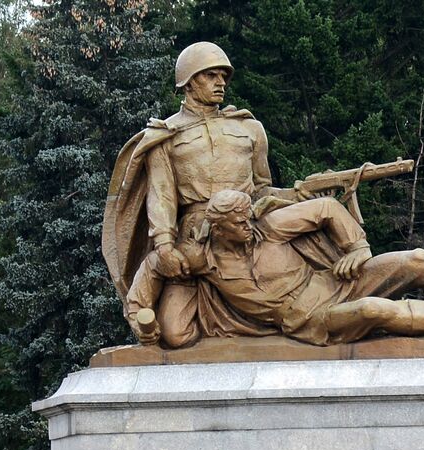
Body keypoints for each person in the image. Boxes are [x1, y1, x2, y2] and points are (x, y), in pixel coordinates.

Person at [130, 189, 424, 345]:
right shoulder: (205, 261)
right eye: (238, 223)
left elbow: (328, 208)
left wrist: (356, 247)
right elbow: (153, 266)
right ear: (218, 229)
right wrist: (140, 315)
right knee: (373, 311)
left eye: (246, 218)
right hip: (313, 318)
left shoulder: (271, 226)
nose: (247, 226)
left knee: (417, 260)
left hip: (336, 280)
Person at [104, 42, 300, 348]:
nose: (221, 82)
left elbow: (263, 186)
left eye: (223, 75)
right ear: (189, 81)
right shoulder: (165, 134)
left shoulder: (250, 128)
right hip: (195, 238)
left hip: (247, 230)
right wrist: (166, 247)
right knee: (174, 334)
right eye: (211, 75)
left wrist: (296, 195)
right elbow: (162, 196)